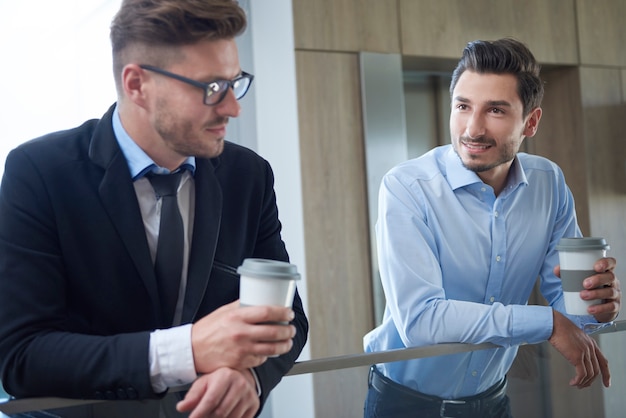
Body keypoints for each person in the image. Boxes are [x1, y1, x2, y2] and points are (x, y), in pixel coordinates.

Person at [0, 1, 308, 417]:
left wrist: (249, 377)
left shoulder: (247, 176)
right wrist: (188, 351)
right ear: (136, 84)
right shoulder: (39, 172)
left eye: (235, 83)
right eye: (211, 88)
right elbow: (22, 356)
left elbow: (288, 316)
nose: (233, 107)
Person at [363, 38, 621, 418]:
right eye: (463, 106)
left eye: (495, 110)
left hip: (492, 401)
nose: (473, 128)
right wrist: (548, 323)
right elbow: (421, 320)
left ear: (530, 122)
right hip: (404, 404)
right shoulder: (406, 187)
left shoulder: (548, 183)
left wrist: (596, 305)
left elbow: (572, 311)